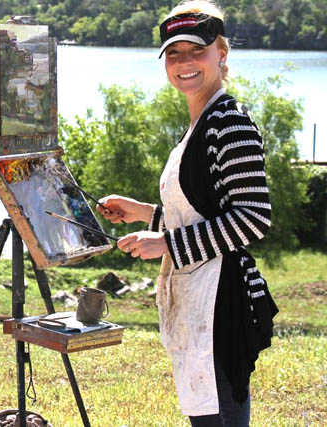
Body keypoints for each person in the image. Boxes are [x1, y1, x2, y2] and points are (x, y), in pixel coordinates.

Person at [96, 1, 278, 425]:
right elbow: (204, 215)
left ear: (221, 53)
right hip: (197, 303)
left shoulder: (230, 123)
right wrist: (144, 213)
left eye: (197, 50)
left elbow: (253, 218)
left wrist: (167, 243)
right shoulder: (201, 123)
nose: (184, 62)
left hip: (221, 305)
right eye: (174, 53)